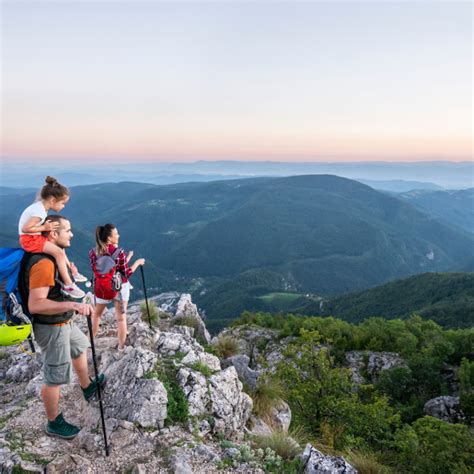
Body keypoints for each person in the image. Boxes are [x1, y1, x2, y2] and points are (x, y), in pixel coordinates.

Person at [19, 214, 106, 440]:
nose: (72, 234)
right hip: (51, 327)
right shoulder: (44, 264)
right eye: (67, 230)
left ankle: (87, 386)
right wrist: (73, 305)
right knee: (55, 376)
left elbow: (57, 288)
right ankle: (53, 423)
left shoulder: (54, 259)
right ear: (54, 234)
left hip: (63, 321)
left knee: (79, 346)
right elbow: (36, 304)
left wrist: (71, 275)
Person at [18, 176, 86, 299]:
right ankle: (68, 285)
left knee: (60, 248)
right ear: (53, 200)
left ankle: (71, 273)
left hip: (33, 238)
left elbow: (40, 195)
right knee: (58, 253)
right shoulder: (39, 212)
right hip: (29, 240)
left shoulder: (41, 204)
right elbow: (26, 229)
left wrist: (49, 186)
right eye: (63, 203)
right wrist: (45, 227)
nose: (63, 206)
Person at [90, 224, 145, 350]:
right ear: (109, 238)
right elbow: (127, 273)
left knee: (97, 315)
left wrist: (128, 257)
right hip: (119, 288)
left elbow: (101, 269)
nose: (118, 235)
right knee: (121, 319)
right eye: (116, 233)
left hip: (102, 287)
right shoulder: (119, 253)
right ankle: (121, 347)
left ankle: (90, 341)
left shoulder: (93, 252)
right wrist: (137, 262)